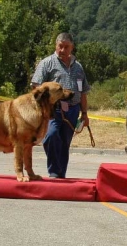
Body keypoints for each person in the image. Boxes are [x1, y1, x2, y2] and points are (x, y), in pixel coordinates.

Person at [31, 33, 90, 178]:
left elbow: (83, 92)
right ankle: (54, 172)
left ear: (72, 47)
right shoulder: (47, 63)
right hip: (53, 110)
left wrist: (84, 114)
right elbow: (36, 86)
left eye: (66, 47)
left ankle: (60, 176)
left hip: (73, 110)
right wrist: (43, 106)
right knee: (50, 137)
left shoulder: (78, 67)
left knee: (65, 143)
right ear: (56, 46)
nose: (63, 50)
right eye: (60, 46)